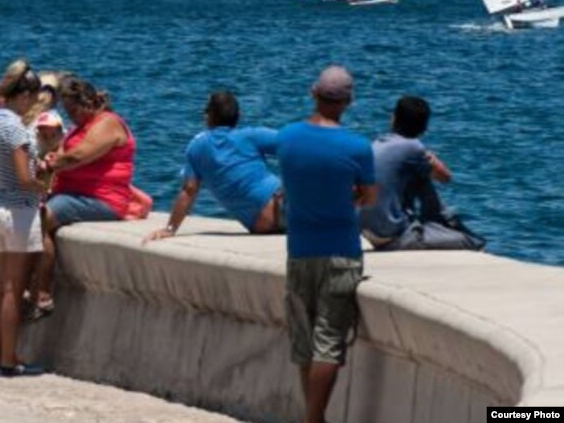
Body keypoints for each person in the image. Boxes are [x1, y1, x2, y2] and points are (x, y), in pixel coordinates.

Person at [276, 65, 375, 423]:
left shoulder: (286, 137)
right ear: (348, 101)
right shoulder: (358, 146)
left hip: (299, 250)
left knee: (304, 345)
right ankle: (314, 420)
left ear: (313, 93)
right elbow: (370, 196)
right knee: (329, 344)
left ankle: (313, 417)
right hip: (341, 252)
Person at [33, 75, 137, 317]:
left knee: (39, 218)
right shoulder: (81, 125)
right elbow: (63, 152)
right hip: (71, 194)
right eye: (67, 111)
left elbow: (77, 157)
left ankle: (43, 292)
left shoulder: (108, 123)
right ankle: (27, 283)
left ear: (88, 102)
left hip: (101, 199)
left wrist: (53, 164)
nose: (71, 116)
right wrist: (52, 158)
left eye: (73, 110)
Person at [0, 60, 46, 376]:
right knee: (12, 291)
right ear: (25, 95)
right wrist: (45, 182)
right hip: (19, 212)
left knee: (0, 287)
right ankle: (8, 359)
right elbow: (23, 177)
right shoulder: (16, 128)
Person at [143, 90, 284, 245]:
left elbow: (189, 190)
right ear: (239, 116)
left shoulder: (197, 146)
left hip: (262, 225)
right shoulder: (250, 136)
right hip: (283, 204)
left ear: (208, 117)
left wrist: (170, 228)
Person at [359, 96, 485, 251]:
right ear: (424, 127)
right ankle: (442, 223)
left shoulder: (376, 144)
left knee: (417, 174)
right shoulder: (413, 147)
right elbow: (445, 176)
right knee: (469, 241)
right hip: (393, 235)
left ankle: (439, 223)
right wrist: (430, 157)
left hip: (365, 229)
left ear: (393, 119)